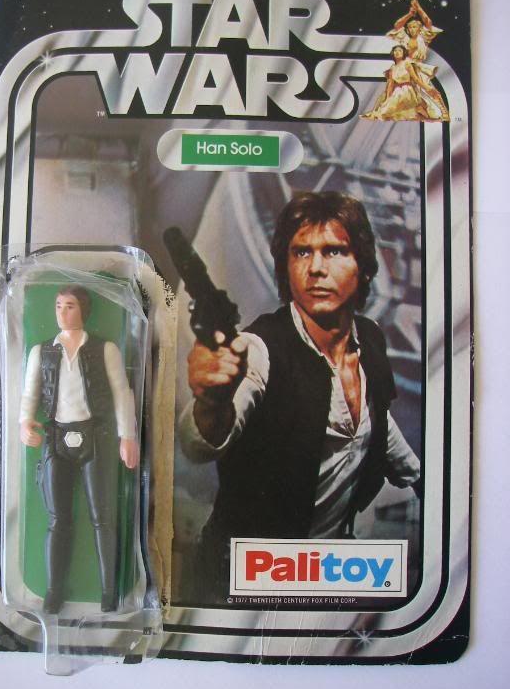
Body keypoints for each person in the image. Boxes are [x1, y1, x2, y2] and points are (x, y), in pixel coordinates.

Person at [180, 192, 420, 598]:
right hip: (244, 575)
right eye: (301, 252)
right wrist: (211, 400)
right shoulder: (260, 348)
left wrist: (421, 478)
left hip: (328, 567)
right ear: (286, 266)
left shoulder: (370, 338)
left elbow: (377, 417)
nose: (316, 268)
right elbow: (200, 442)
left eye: (335, 251)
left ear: (363, 267)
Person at [20, 286, 139, 614]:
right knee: (58, 518)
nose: (62, 312)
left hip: (96, 437)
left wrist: (127, 437)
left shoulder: (105, 349)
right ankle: (54, 591)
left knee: (103, 517)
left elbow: (122, 393)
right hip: (56, 437)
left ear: (83, 310)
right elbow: (30, 392)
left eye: (69, 306)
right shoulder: (42, 351)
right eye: (58, 305)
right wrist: (24, 422)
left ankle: (109, 591)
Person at [363, 45, 440, 121]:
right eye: (395, 51)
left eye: (400, 51)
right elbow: (390, 84)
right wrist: (388, 99)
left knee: (399, 106)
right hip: (397, 91)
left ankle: (421, 111)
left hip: (408, 90)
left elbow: (416, 79)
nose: (397, 52)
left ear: (403, 53)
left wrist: (427, 88)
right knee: (386, 110)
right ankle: (418, 111)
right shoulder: (393, 68)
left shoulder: (407, 64)